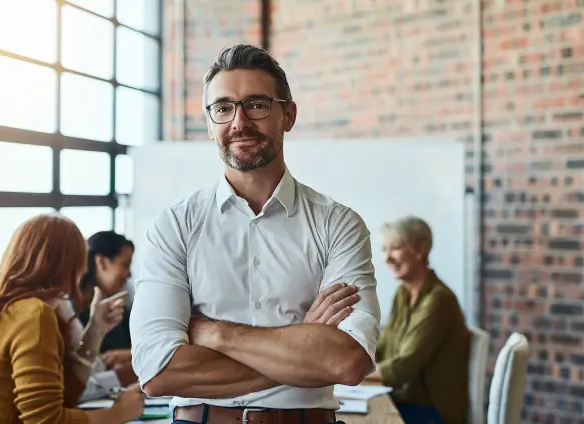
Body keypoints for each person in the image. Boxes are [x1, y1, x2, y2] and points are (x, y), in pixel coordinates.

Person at [129, 44, 381, 424]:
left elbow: (346, 361)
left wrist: (215, 334)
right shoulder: (175, 226)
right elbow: (158, 372)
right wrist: (303, 341)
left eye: (257, 105)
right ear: (211, 122)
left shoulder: (338, 224)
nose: (239, 122)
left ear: (288, 115)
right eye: (223, 108)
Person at [0, 214, 144, 424]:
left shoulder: (10, 306)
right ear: (68, 264)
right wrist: (117, 413)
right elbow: (45, 421)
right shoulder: (35, 315)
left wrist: (95, 330)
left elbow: (63, 398)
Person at [368, 216, 469, 424]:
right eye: (384, 249)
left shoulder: (439, 300)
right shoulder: (402, 294)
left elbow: (403, 368)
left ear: (420, 248)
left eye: (395, 247)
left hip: (432, 413)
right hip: (406, 401)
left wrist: (347, 374)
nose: (387, 258)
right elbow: (383, 347)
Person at [77, 231, 135, 370]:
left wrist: (130, 355)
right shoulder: (72, 312)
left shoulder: (121, 310)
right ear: (101, 262)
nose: (129, 274)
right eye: (125, 264)